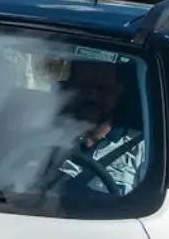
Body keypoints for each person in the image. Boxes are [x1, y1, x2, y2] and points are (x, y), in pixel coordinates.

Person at [58, 57, 146, 195]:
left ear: (118, 91)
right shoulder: (45, 137)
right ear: (70, 87)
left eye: (102, 89)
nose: (93, 96)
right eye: (84, 87)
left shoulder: (142, 150)